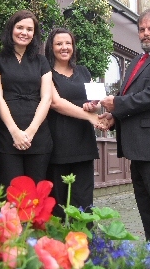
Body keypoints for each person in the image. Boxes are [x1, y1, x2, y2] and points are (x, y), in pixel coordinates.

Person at [90, 8, 150, 244]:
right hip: (139, 151)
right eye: (142, 29)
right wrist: (114, 117)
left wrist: (117, 104)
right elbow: (133, 100)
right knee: (149, 215)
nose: (146, 34)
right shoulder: (136, 61)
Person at [45, 27, 107, 219]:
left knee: (83, 202)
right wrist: (88, 115)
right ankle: (58, 247)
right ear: (51, 47)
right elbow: (55, 103)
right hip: (58, 145)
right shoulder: (46, 71)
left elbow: (97, 104)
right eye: (59, 43)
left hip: (83, 143)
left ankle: (84, 246)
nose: (64, 47)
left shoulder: (83, 71)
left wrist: (93, 107)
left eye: (68, 43)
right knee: (58, 204)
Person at [0, 10, 53, 190]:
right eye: (20, 27)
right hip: (8, 136)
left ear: (34, 34)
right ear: (11, 29)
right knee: (12, 192)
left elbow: (47, 98)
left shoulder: (41, 61)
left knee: (37, 192)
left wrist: (30, 132)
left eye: (29, 29)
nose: (24, 32)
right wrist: (15, 132)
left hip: (38, 136)